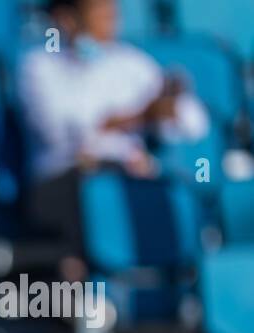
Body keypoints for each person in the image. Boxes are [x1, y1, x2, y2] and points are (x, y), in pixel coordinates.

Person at [18, 0, 210, 277]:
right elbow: (62, 132)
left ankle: (174, 283)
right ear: (67, 18)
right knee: (94, 191)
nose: (110, 22)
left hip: (127, 175)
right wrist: (138, 116)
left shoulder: (131, 62)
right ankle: (82, 290)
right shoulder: (39, 65)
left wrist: (168, 107)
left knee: (161, 189)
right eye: (99, 14)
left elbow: (194, 123)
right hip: (62, 180)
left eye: (112, 13)